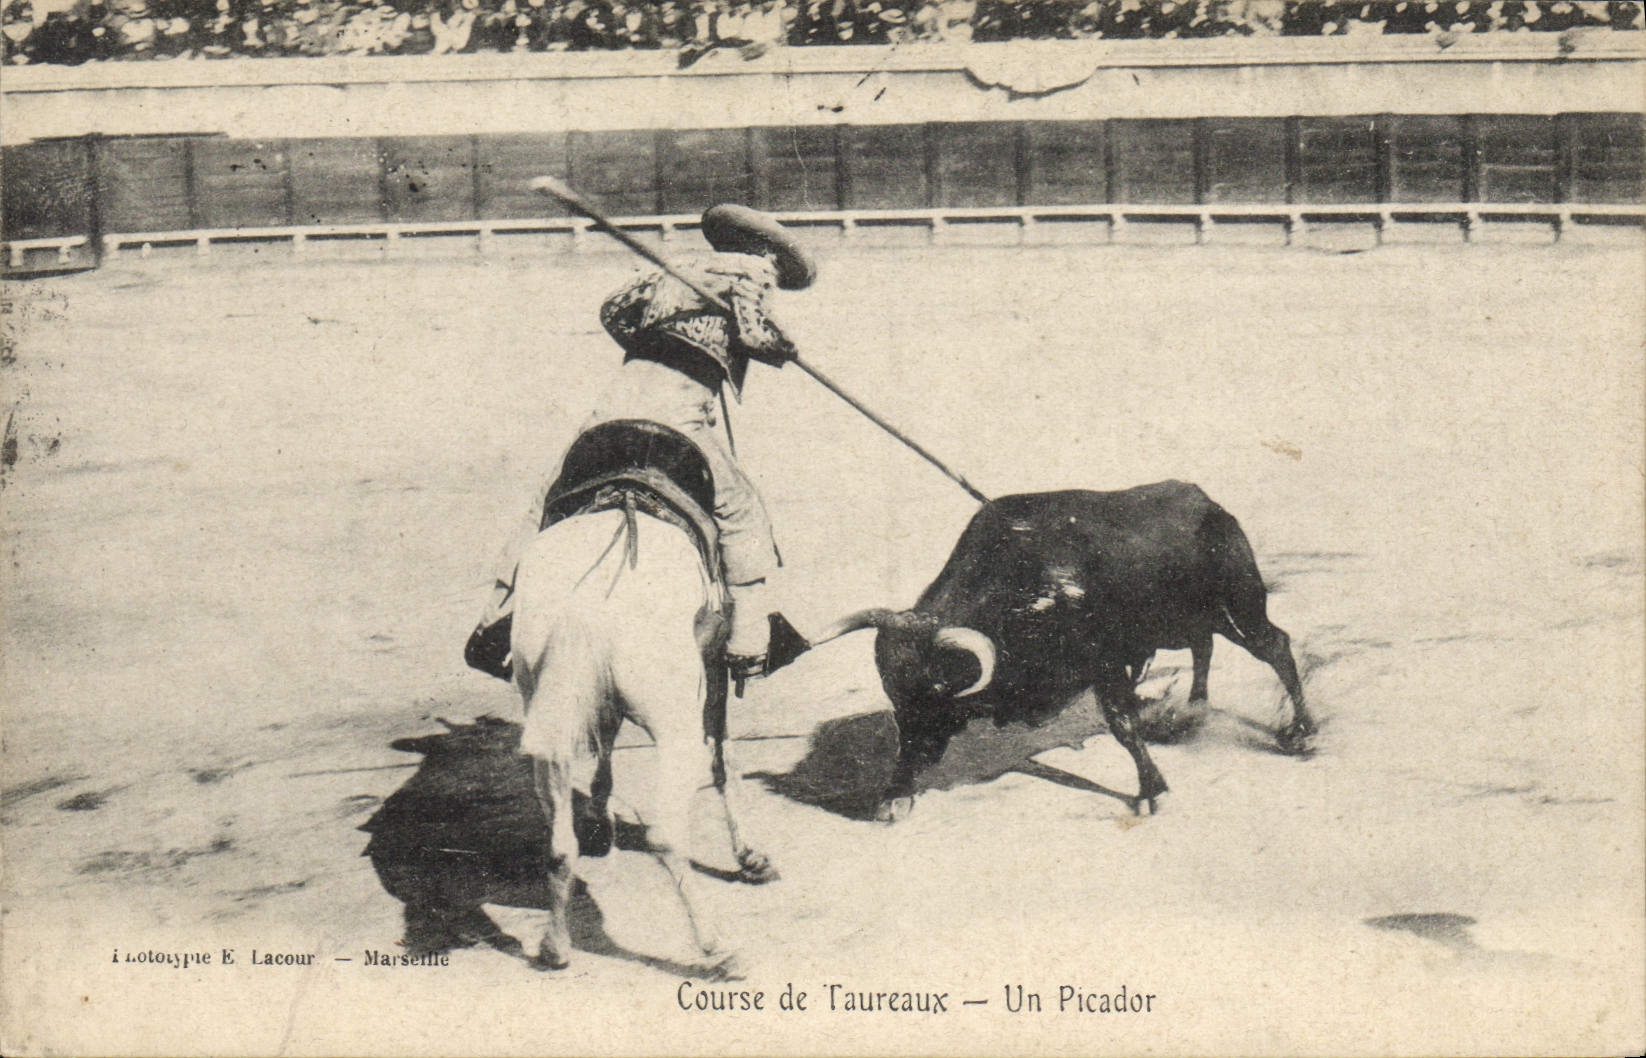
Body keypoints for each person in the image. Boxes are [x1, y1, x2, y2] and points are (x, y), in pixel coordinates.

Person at [464, 202, 815, 683]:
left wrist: (657, 338)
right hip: (678, 420)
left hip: (609, 413)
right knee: (742, 512)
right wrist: (785, 350)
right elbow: (756, 335)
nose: (773, 272)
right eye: (774, 263)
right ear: (764, 252)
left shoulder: (676, 269)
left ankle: (495, 620)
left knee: (546, 501)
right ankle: (749, 641)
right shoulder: (749, 275)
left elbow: (613, 313)